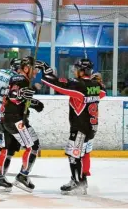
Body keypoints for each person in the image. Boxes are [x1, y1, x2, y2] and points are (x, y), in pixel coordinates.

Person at [35, 59, 106, 195]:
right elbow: (103, 91)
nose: (74, 71)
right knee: (83, 154)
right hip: (92, 127)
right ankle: (82, 180)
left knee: (74, 155)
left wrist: (45, 69)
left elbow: (53, 83)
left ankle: (76, 182)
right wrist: (94, 80)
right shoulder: (97, 85)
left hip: (80, 128)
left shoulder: (78, 85)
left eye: (76, 68)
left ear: (82, 70)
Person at [0, 56, 44, 193]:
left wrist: (34, 103)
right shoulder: (20, 79)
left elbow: (18, 98)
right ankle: (23, 176)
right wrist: (20, 93)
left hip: (6, 119)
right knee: (34, 146)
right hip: (16, 120)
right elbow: (13, 94)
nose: (36, 72)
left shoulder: (22, 80)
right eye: (35, 69)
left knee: (8, 149)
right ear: (26, 68)